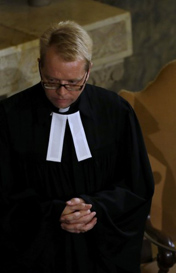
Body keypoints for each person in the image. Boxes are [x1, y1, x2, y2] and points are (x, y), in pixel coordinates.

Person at [0, 20, 154, 273]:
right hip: (39, 254)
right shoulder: (9, 117)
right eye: (51, 81)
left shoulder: (115, 112)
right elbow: (4, 196)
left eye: (73, 83)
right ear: (39, 66)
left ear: (88, 71)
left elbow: (136, 186)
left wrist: (94, 209)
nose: (62, 93)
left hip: (101, 250)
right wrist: (54, 213)